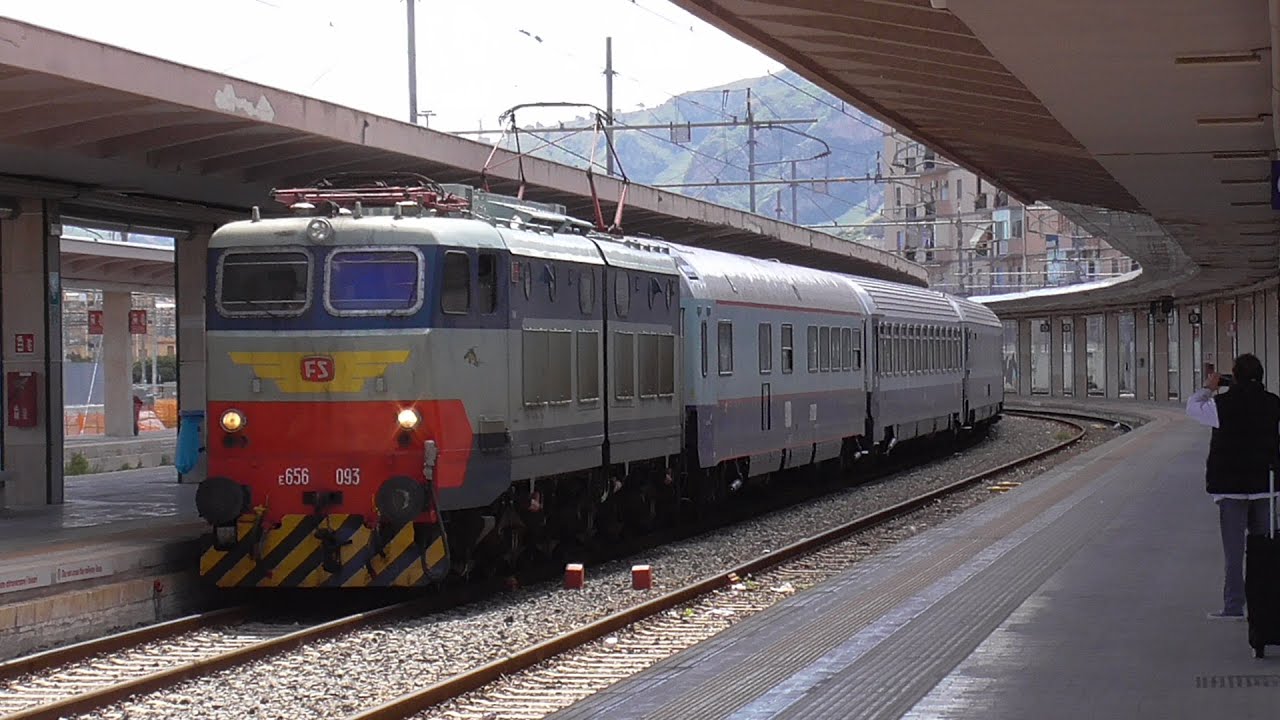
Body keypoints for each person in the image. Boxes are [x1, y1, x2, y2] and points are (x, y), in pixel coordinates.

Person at [1185, 353, 1280, 620]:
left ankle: (1234, 606)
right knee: (1264, 549)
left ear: (1233, 377)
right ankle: (1265, 606)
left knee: (1234, 551)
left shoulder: (1221, 404)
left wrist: (1209, 386)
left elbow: (1192, 406)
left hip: (1230, 488)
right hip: (1266, 486)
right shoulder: (1274, 404)